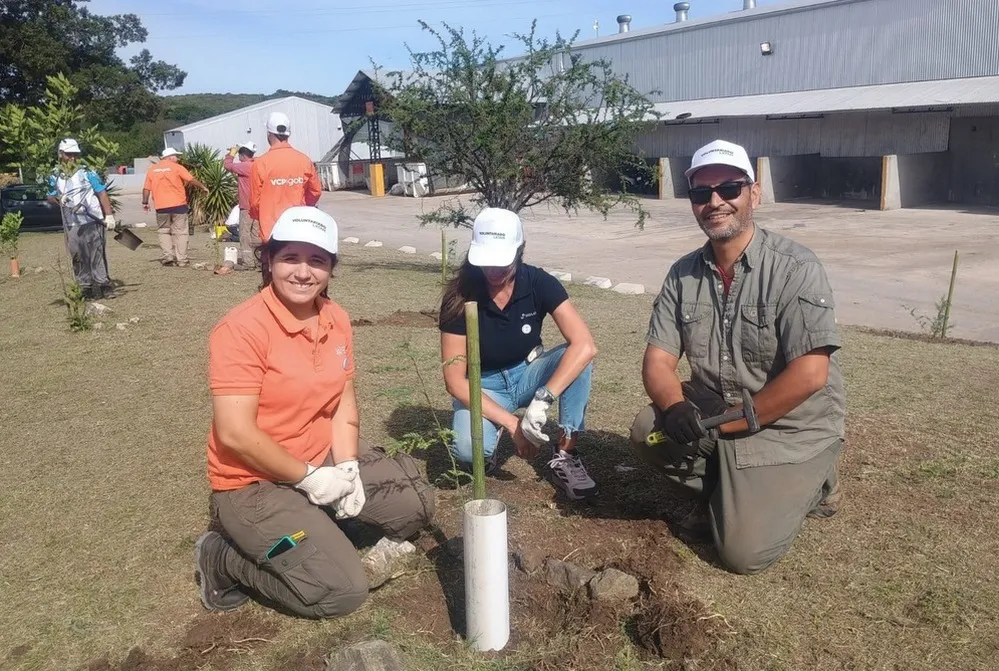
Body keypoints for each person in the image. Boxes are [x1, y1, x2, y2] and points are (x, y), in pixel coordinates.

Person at [194, 206, 435, 618]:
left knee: (415, 505)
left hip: (320, 458)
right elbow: (235, 433)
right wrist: (307, 478)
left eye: (317, 260)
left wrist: (346, 468)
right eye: (291, 257)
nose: (303, 272)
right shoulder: (241, 329)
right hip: (253, 482)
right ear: (269, 260)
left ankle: (318, 525)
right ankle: (222, 558)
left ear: (331, 269)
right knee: (342, 592)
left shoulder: (335, 317)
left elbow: (342, 398)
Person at [628, 139, 846, 575]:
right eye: (701, 193)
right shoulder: (682, 273)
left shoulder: (795, 267)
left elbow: (810, 374)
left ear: (754, 194)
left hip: (789, 428)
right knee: (645, 431)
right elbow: (658, 361)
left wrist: (732, 421)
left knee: (741, 554)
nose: (715, 202)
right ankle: (735, 485)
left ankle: (818, 482)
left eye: (729, 188)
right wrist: (674, 408)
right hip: (719, 416)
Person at [438, 207, 599, 501]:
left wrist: (543, 399)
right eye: (487, 262)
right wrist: (514, 425)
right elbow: (455, 381)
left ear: (520, 250)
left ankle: (565, 454)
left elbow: (585, 344)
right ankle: (496, 424)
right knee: (467, 452)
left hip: (528, 373)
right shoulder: (459, 296)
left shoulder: (538, 282)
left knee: (579, 359)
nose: (493, 271)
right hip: (483, 384)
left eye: (503, 262)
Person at [46, 138, 118, 300]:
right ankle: (85, 286)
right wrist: (59, 199)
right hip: (71, 223)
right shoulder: (54, 175)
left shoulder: (88, 172)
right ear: (60, 154)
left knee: (96, 254)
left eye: (75, 154)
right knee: (77, 255)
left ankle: (104, 284)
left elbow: (101, 193)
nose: (72, 157)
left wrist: (109, 215)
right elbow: (49, 197)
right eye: (69, 154)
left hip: (92, 220)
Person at [249, 112, 322, 245]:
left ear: (269, 134)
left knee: (274, 265)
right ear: (288, 134)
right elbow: (315, 192)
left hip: (271, 230)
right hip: (297, 228)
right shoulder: (304, 160)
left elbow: (255, 202)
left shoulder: (260, 163)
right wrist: (304, 207)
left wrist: (261, 215)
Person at [142, 147, 208, 267]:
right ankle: (181, 259)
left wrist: (145, 202)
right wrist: (203, 187)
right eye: (177, 156)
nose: (178, 159)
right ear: (170, 157)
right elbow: (191, 180)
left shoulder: (152, 169)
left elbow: (146, 188)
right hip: (178, 205)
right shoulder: (177, 168)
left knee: (163, 231)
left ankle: (167, 256)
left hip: (161, 207)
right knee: (181, 232)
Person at [222, 141, 258, 271]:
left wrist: (231, 153)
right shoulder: (258, 165)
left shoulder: (244, 166)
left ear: (242, 155)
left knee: (245, 234)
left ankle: (248, 262)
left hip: (247, 206)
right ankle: (259, 260)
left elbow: (227, 165)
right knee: (257, 234)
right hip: (259, 205)